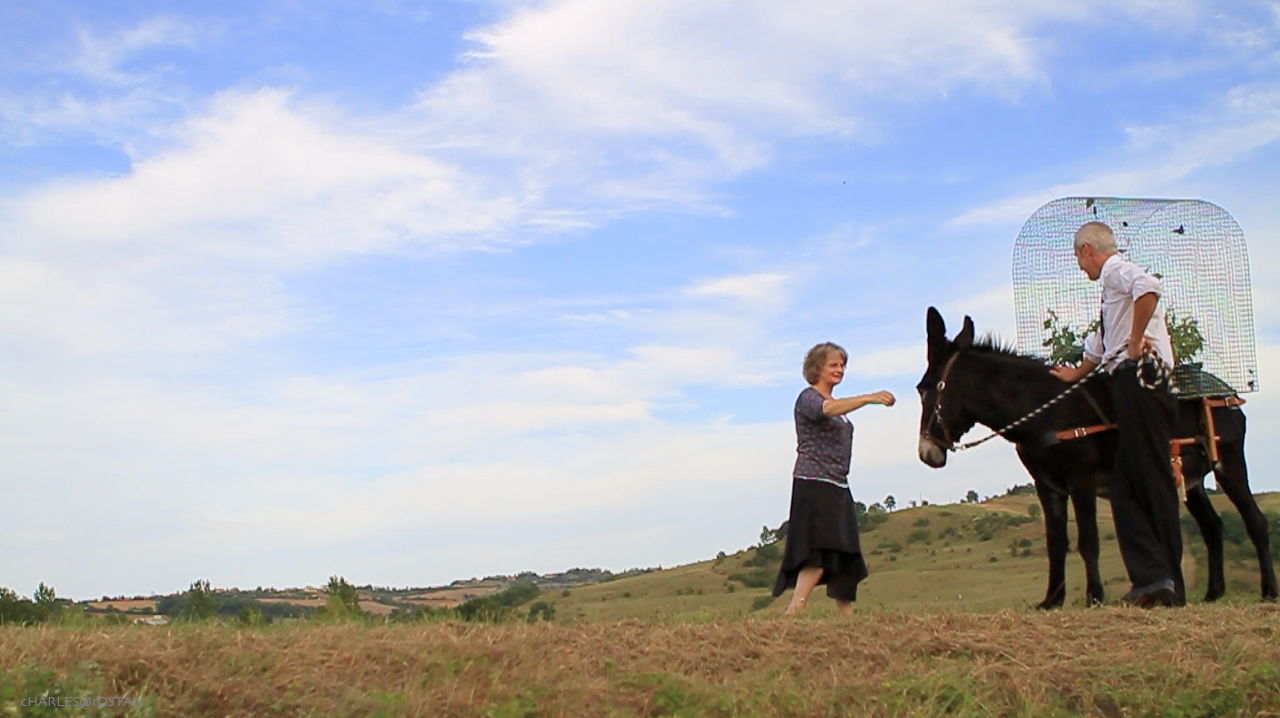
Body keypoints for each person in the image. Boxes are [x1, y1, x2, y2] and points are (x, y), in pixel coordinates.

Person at [1050, 221, 1184, 607]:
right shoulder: (1110, 290)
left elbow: (1149, 289)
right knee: (1124, 488)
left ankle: (1170, 583)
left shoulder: (1116, 271)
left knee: (1153, 482)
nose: (1080, 268)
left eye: (1079, 259)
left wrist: (1137, 340)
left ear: (1087, 251)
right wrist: (1074, 374)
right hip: (1127, 385)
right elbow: (1100, 345)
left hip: (1140, 381)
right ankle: (1154, 579)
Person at [773, 342, 895, 615]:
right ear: (818, 368)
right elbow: (826, 409)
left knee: (845, 553)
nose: (839, 370)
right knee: (820, 550)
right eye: (833, 365)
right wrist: (867, 398)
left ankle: (847, 618)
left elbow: (835, 409)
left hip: (838, 484)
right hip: (814, 482)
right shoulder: (808, 398)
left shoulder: (839, 407)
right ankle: (795, 611)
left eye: (842, 365)